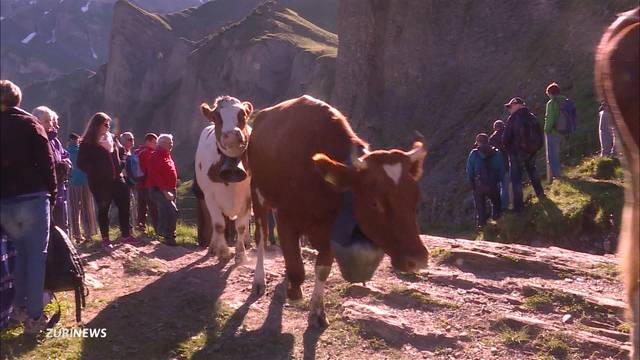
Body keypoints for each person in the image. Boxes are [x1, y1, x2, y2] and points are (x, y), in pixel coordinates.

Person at [0, 79, 57, 333]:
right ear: (18, 99)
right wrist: (52, 194)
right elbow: (47, 164)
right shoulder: (30, 123)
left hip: (5, 203)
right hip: (33, 197)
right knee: (36, 257)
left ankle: (18, 310)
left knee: (21, 255)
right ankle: (35, 318)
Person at [77, 112, 137, 249]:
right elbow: (81, 163)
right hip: (100, 183)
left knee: (124, 205)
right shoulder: (87, 143)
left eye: (109, 124)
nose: (108, 126)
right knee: (104, 209)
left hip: (118, 179)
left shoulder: (112, 138)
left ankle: (126, 235)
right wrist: (97, 171)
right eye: (105, 124)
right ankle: (105, 238)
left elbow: (122, 152)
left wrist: (121, 165)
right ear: (97, 125)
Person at [32, 106, 72, 234]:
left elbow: (65, 156)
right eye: (48, 121)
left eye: (51, 120)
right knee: (47, 230)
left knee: (62, 226)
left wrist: (65, 164)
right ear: (37, 121)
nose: (52, 124)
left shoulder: (55, 141)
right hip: (43, 193)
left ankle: (65, 252)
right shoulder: (33, 140)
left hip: (59, 190)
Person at [502, 97, 545, 213]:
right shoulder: (532, 117)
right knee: (533, 171)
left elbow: (505, 139)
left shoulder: (513, 119)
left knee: (516, 180)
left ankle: (519, 208)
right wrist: (535, 149)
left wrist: (510, 150)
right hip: (531, 152)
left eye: (510, 106)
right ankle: (541, 195)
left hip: (517, 154)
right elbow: (540, 135)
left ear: (517, 105)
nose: (509, 109)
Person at [466, 133, 505, 228]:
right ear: (488, 141)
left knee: (480, 206)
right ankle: (497, 223)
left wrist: (472, 183)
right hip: (493, 183)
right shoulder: (496, 153)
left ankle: (482, 226)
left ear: (478, 142)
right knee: (496, 203)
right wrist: (498, 180)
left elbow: (469, 170)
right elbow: (501, 169)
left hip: (479, 184)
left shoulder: (474, 153)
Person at [147, 134, 178, 246]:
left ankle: (166, 235)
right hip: (159, 190)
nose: (171, 144)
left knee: (167, 212)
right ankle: (169, 236)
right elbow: (156, 176)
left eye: (171, 142)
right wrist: (165, 191)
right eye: (169, 142)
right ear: (162, 144)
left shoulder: (167, 155)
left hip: (170, 189)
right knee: (171, 211)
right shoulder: (155, 156)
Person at [67, 133, 97, 243]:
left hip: (74, 183)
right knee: (86, 208)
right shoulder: (82, 151)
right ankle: (87, 233)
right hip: (83, 182)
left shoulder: (67, 152)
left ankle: (78, 235)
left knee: (76, 210)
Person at [135, 133, 158, 233]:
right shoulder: (149, 153)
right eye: (154, 142)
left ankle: (141, 226)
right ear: (148, 141)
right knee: (153, 207)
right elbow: (151, 169)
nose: (156, 145)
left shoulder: (137, 152)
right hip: (148, 183)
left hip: (138, 183)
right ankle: (158, 229)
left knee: (141, 206)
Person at [543, 82, 565, 180]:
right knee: (558, 153)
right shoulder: (565, 100)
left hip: (553, 132)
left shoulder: (551, 103)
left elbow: (550, 118)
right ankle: (559, 174)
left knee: (552, 156)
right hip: (564, 131)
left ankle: (557, 177)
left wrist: (546, 130)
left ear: (550, 93)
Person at [489, 119, 510, 211]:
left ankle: (500, 207)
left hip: (496, 166)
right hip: (508, 163)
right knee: (507, 185)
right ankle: (506, 205)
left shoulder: (492, 139)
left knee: (500, 187)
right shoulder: (508, 134)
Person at [120, 132, 138, 227]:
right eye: (130, 139)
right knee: (125, 205)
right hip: (123, 181)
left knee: (131, 204)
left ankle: (131, 226)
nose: (132, 141)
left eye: (133, 139)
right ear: (123, 141)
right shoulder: (121, 152)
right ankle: (127, 228)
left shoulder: (129, 152)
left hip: (130, 181)